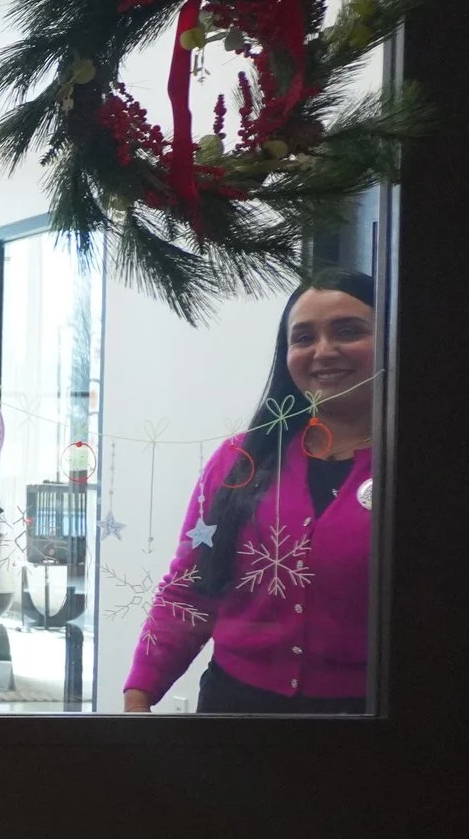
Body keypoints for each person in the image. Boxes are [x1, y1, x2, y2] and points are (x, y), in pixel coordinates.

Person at [124, 270, 377, 714]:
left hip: (371, 721)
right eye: (303, 338)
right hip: (233, 714)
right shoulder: (241, 460)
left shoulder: (425, 469)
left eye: (348, 331)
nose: (323, 351)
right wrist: (138, 698)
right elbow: (189, 589)